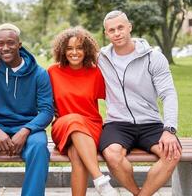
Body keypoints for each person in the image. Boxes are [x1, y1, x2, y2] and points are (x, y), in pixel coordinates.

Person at [98, 10, 182, 196]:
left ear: (130, 27)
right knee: (112, 155)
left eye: (121, 27)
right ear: (106, 34)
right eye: (112, 30)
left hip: (150, 122)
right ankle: (138, 193)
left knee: (172, 154)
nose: (117, 33)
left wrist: (169, 130)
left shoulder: (153, 57)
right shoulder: (101, 58)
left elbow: (168, 94)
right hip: (117, 123)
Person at [0, 23, 54, 196]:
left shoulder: (39, 74)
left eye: (10, 43)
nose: (5, 48)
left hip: (28, 126)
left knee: (39, 146)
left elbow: (47, 111)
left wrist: (25, 130)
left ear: (19, 44)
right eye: (0, 44)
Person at [48, 27, 119, 196]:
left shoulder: (95, 72)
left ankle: (99, 183)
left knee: (78, 158)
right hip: (63, 126)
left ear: (86, 50)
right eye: (69, 48)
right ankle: (100, 179)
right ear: (62, 51)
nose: (74, 52)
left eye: (79, 48)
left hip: (91, 127)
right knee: (73, 119)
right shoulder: (52, 72)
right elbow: (43, 103)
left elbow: (114, 99)